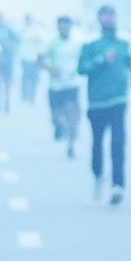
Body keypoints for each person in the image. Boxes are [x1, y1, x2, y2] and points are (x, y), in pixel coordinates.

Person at [78, 6, 131, 204]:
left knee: (118, 143)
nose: (109, 19)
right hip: (97, 102)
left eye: (112, 16)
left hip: (118, 99)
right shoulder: (90, 43)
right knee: (97, 144)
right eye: (105, 16)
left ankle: (118, 185)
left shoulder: (123, 42)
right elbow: (81, 68)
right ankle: (98, 175)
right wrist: (101, 60)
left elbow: (129, 61)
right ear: (99, 19)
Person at [42, 16, 83, 156]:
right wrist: (50, 68)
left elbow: (84, 59)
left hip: (71, 84)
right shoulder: (52, 43)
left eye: (67, 25)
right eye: (62, 25)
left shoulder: (77, 43)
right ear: (58, 27)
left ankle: (71, 145)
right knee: (56, 117)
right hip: (55, 85)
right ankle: (61, 127)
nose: (64, 28)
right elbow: (41, 59)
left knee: (72, 115)